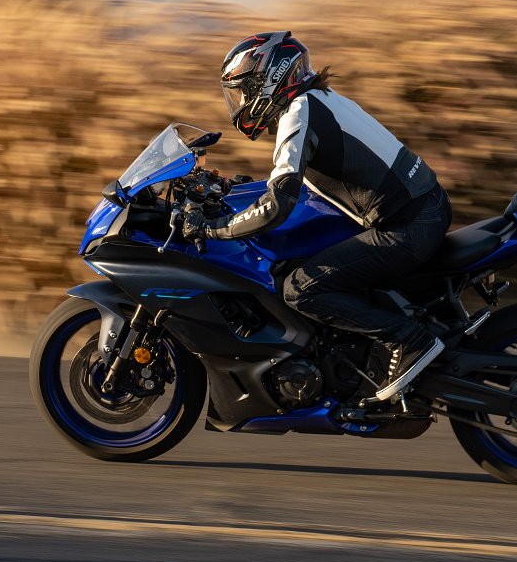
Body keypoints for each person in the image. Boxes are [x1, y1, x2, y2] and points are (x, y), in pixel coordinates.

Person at [182, 31, 453, 402]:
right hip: (422, 208)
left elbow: (278, 205)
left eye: (245, 90)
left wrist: (216, 229)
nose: (242, 102)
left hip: (405, 228)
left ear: (270, 78)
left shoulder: (299, 113)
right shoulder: (321, 99)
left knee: (300, 288)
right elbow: (306, 179)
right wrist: (236, 191)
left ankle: (408, 339)